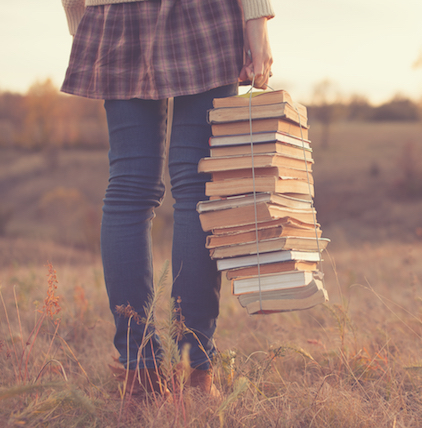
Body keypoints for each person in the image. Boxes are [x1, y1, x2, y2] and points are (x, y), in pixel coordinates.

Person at [60, 0, 274, 395]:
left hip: (115, 14)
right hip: (203, 12)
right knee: (197, 188)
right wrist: (256, 21)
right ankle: (196, 370)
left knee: (128, 189)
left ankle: (139, 372)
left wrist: (82, 16)